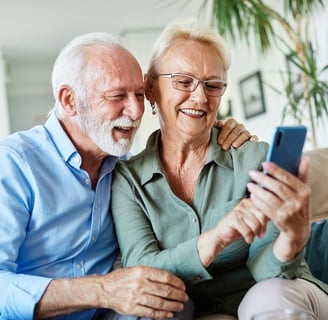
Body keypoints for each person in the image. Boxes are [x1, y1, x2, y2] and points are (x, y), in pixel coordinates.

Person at [0, 32, 255, 320]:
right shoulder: (13, 164)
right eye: (117, 96)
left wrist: (213, 130)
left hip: (114, 315)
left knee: (168, 302)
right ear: (69, 100)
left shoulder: (123, 168)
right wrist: (102, 290)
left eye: (138, 95)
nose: (135, 112)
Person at [110, 21, 328, 320]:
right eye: (183, 81)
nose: (200, 98)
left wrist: (293, 236)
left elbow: (270, 272)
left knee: (268, 297)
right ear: (150, 88)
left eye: (212, 85)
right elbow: (142, 271)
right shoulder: (128, 179)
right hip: (190, 307)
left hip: (276, 293)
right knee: (155, 306)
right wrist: (214, 239)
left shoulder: (253, 157)